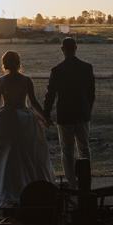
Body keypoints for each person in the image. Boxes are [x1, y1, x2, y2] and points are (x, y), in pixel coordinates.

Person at [0, 50, 56, 207]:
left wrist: (0, 119)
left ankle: (6, 185)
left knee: (6, 152)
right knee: (27, 151)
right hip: (24, 119)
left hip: (5, 119)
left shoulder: (0, 81)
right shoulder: (26, 80)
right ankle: (30, 184)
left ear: (4, 64)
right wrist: (45, 118)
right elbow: (33, 103)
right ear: (19, 63)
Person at [42, 37, 95, 190]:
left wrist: (46, 115)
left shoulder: (57, 70)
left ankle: (72, 183)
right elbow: (91, 93)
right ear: (76, 48)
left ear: (62, 49)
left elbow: (50, 94)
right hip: (82, 114)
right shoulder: (87, 68)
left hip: (65, 115)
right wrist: (87, 109)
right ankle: (86, 181)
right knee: (84, 148)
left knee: (67, 150)